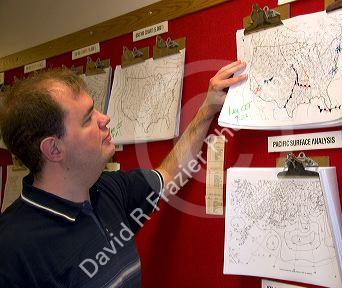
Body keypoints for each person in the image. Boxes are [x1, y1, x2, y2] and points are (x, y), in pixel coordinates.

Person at [0, 60, 246, 287]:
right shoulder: (13, 249)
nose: (105, 118)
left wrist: (208, 108)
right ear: (54, 148)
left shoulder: (107, 192)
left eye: (95, 109)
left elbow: (169, 173)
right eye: (87, 119)